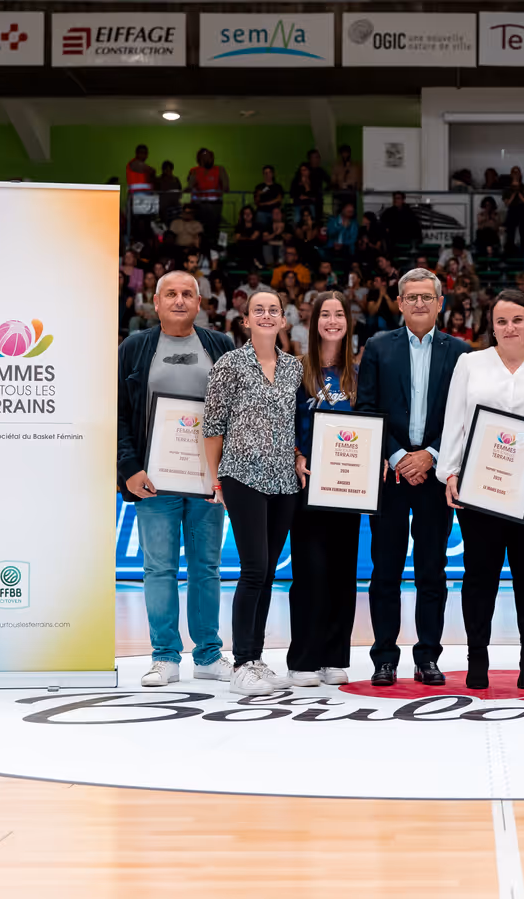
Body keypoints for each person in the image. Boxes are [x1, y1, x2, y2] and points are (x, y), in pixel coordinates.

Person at [440, 289, 524, 690]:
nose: (509, 327)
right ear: (492, 326)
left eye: (518, 319)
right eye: (501, 320)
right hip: (481, 488)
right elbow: (455, 423)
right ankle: (476, 659)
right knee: (478, 575)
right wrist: (450, 472)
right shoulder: (470, 363)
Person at [116, 271, 236, 687]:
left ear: (200, 303)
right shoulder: (135, 348)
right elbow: (118, 413)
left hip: (206, 481)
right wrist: (128, 467)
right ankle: (164, 656)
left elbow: (235, 412)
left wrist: (225, 473)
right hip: (154, 481)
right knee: (159, 569)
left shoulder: (220, 346)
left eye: (188, 294)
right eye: (171, 293)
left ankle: (207, 654)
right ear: (155, 301)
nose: (179, 300)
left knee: (207, 568)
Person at [356, 269, 471, 686]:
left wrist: (432, 456)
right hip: (390, 476)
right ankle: (384, 656)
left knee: (431, 570)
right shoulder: (377, 347)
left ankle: (428, 657)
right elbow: (366, 408)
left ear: (440, 303)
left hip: (436, 477)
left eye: (427, 297)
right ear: (399, 303)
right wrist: (400, 455)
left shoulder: (461, 352)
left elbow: (463, 417)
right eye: (411, 297)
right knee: (384, 570)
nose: (419, 303)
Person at [204, 287, 304, 694]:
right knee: (254, 570)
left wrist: (298, 455)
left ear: (283, 320)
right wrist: (215, 480)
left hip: (284, 482)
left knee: (267, 576)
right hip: (241, 477)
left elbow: (298, 424)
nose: (266, 315)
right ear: (245, 320)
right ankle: (242, 663)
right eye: (257, 310)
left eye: (273, 310)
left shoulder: (295, 368)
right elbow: (213, 427)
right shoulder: (229, 364)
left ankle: (257, 659)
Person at [288, 291, 361, 686]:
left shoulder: (358, 375)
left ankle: (335, 656)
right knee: (309, 572)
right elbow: (284, 423)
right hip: (308, 486)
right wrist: (297, 453)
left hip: (348, 489)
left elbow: (370, 429)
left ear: (348, 323)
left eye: (339, 315)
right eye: (325, 315)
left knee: (341, 572)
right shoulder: (297, 370)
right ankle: (303, 658)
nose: (332, 321)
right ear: (314, 322)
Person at [188, 148, 228, 244]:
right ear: (200, 158)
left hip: (214, 204)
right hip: (199, 204)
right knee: (199, 229)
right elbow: (190, 186)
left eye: (210, 156)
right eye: (206, 156)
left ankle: (213, 249)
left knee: (213, 229)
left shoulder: (220, 169)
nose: (209, 158)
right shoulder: (194, 171)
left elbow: (226, 187)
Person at [503, 166, 524, 251]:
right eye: (514, 173)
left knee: (523, 231)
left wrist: (519, 193)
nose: (516, 175)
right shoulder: (507, 189)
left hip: (521, 209)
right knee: (510, 231)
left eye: (517, 173)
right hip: (512, 210)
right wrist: (513, 194)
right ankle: (510, 249)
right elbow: (507, 203)